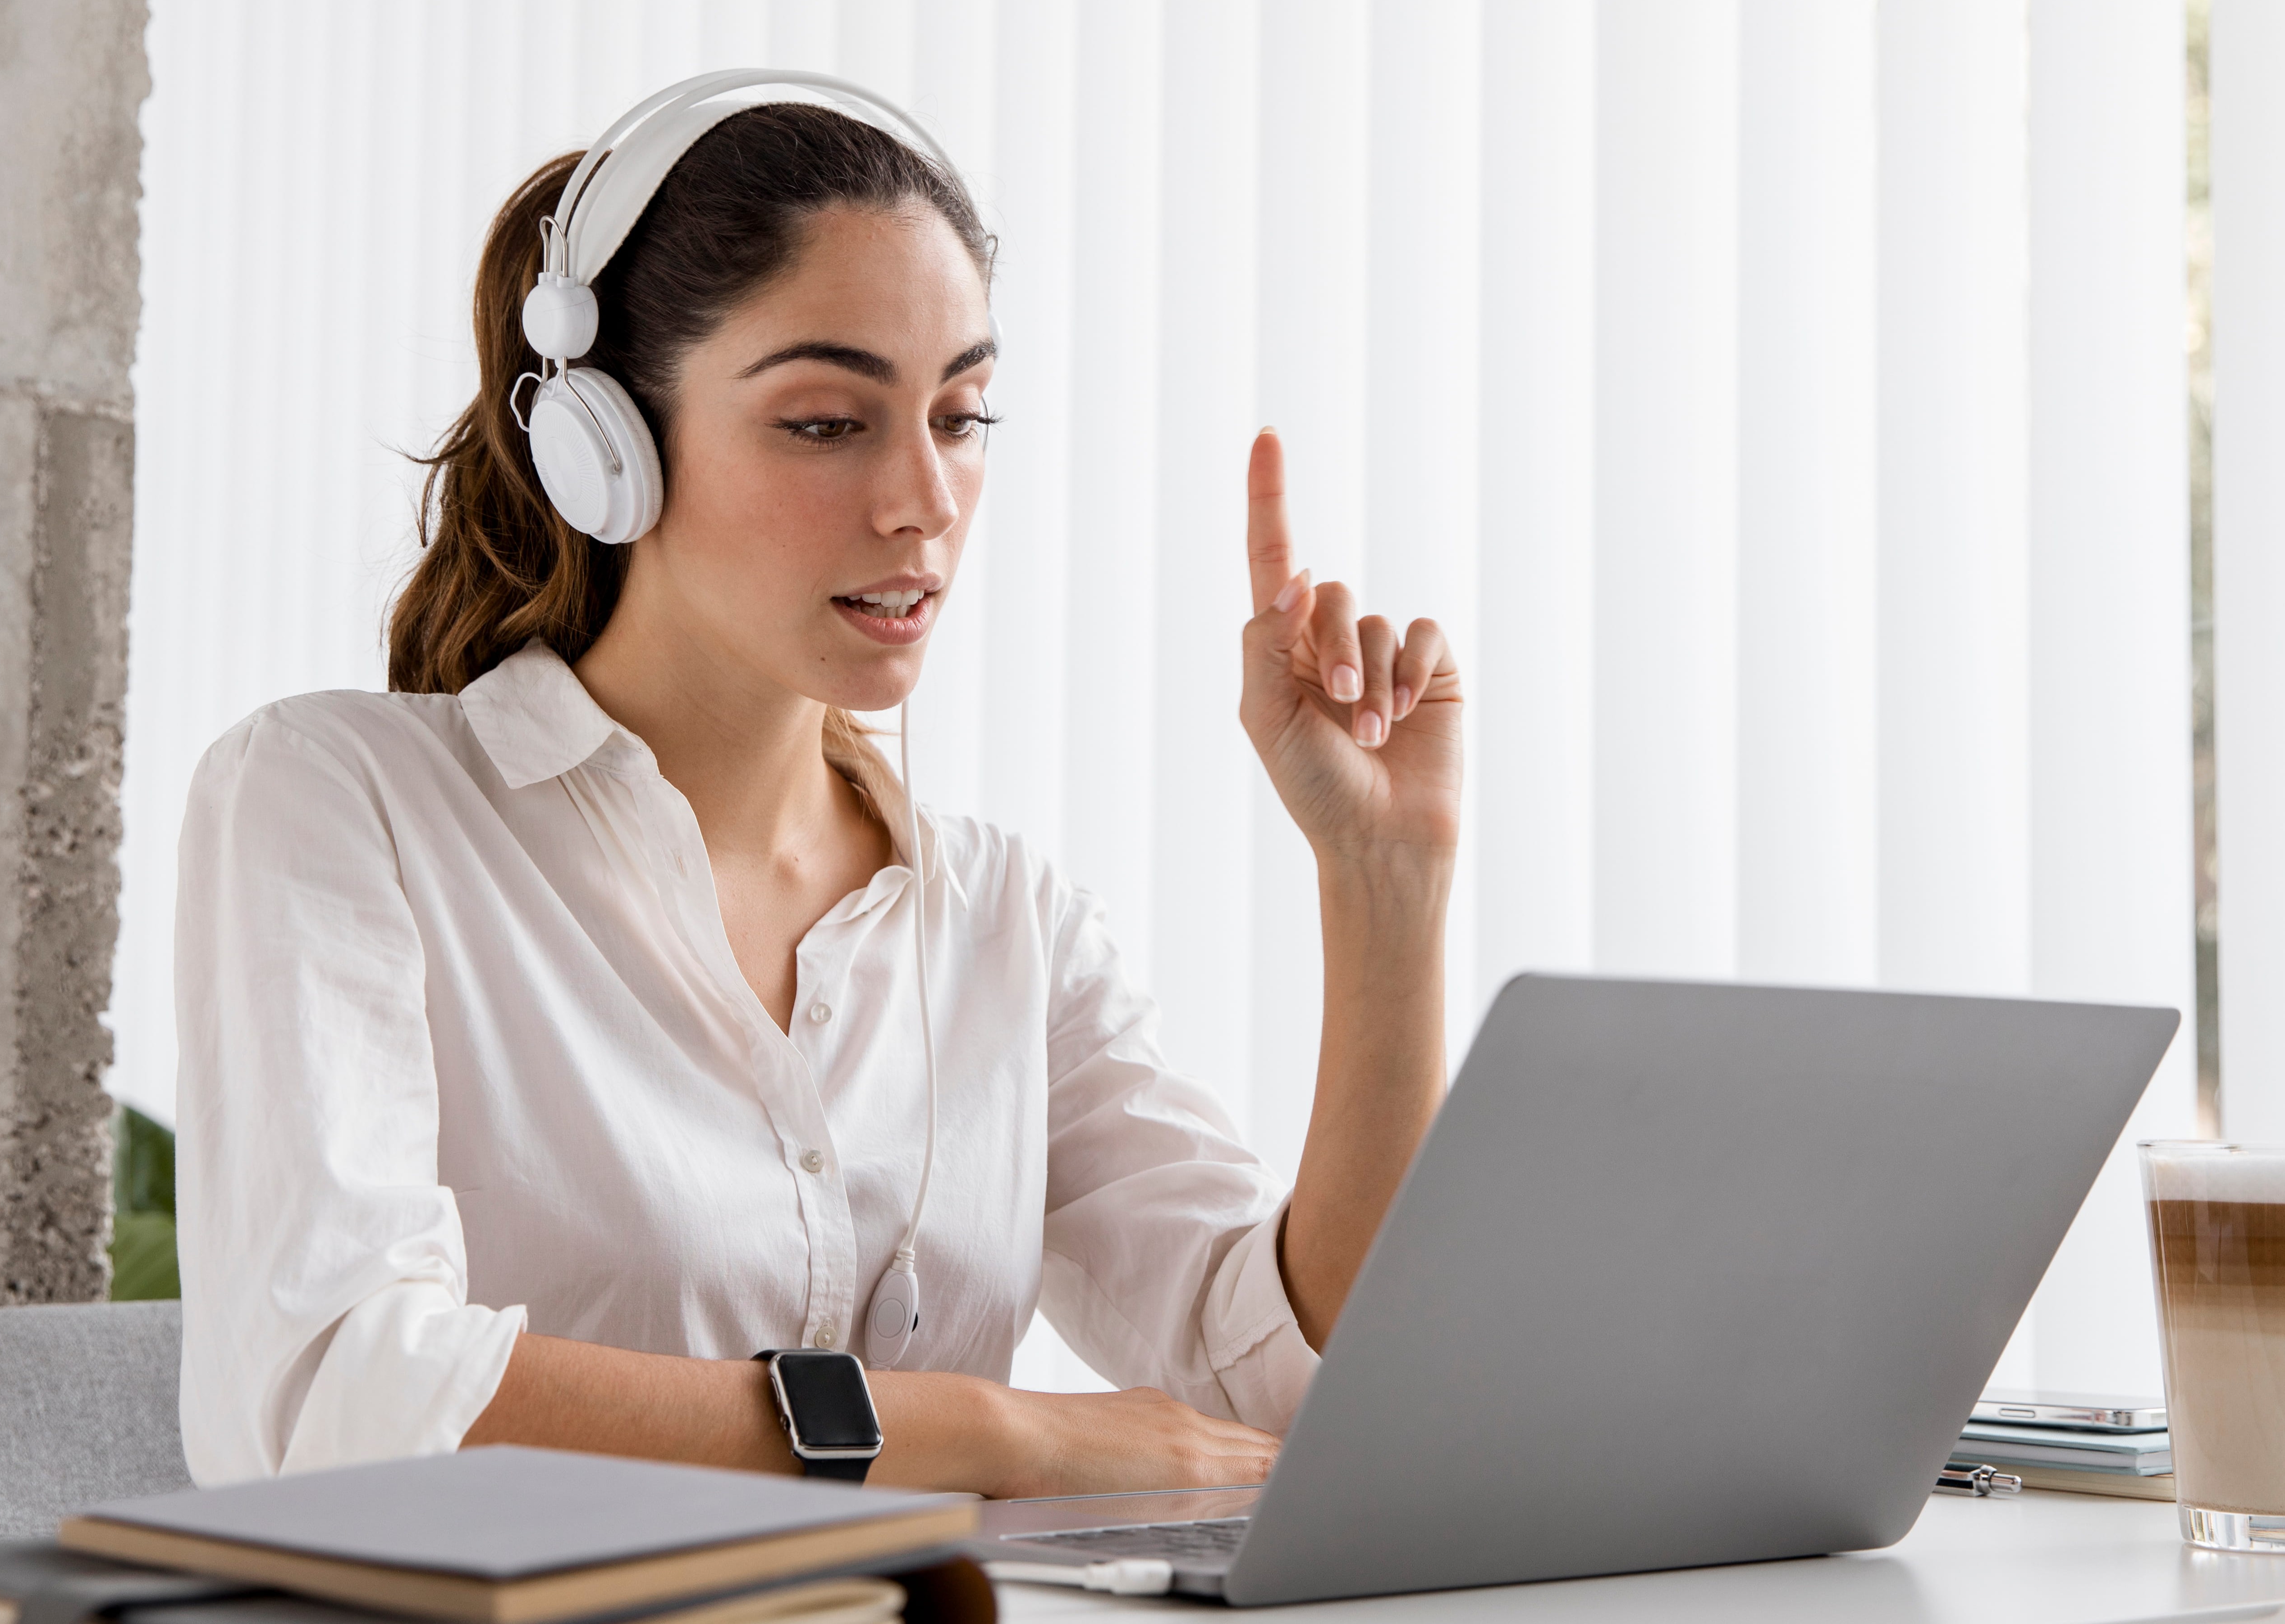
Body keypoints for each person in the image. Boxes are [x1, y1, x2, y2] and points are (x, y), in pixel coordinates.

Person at [174, 93, 1460, 1500]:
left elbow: (1293, 1375)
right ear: (604, 447)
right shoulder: (339, 805)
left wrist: (1383, 885)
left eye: (963, 417)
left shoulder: (997, 923)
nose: (927, 499)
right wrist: (995, 1434)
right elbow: (337, 1394)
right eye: (830, 420)